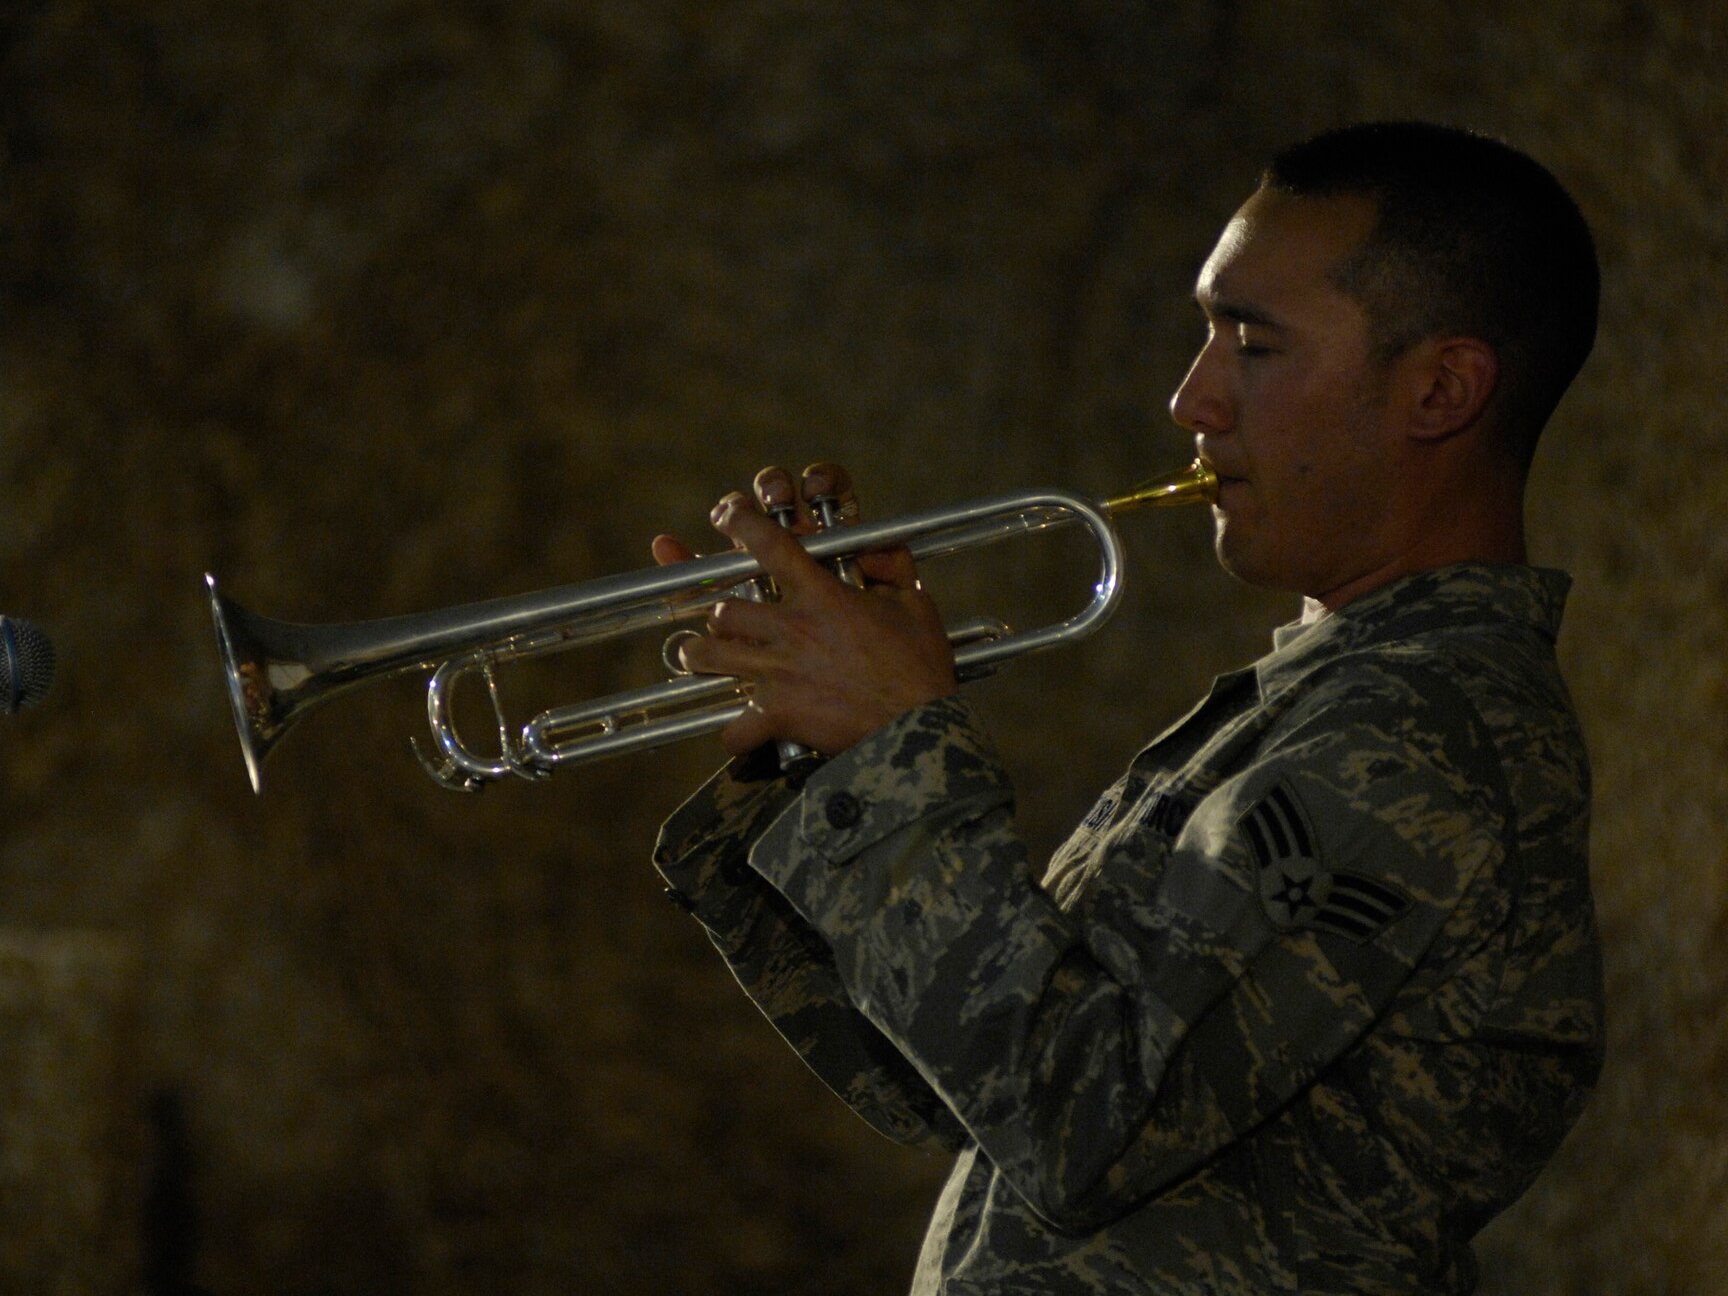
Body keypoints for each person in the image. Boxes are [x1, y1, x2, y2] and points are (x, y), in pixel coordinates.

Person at [648, 122, 1603, 1294]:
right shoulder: (1320, 702)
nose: (1188, 399)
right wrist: (823, 746)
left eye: (1250, 344)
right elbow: (949, 1083)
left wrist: (895, 751)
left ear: (1439, 391)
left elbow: (1076, 1118)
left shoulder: (1415, 735)